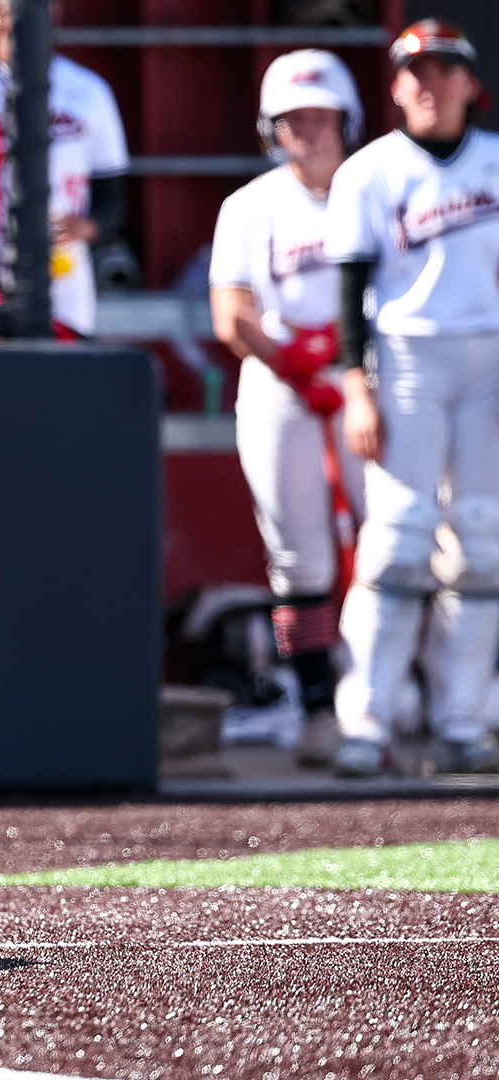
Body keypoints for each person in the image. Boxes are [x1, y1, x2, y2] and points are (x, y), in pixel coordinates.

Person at [326, 21, 499, 776]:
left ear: (470, 81)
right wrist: (356, 389)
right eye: (414, 71)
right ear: (394, 87)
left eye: (443, 69)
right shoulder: (368, 172)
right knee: (396, 539)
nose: (429, 84)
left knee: (483, 541)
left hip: (489, 356)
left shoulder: (495, 161)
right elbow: (350, 292)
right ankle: (367, 721)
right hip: (404, 359)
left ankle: (461, 719)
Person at [208, 50, 366, 769]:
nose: (307, 130)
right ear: (272, 128)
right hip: (282, 386)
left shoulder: (374, 189)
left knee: (396, 541)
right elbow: (230, 313)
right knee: (298, 556)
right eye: (292, 119)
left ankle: (396, 702)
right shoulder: (249, 205)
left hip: (367, 377)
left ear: (345, 118)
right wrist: (293, 361)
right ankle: (317, 707)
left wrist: (347, 349)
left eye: (319, 116)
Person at [0, 0, 128, 337]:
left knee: (60, 375)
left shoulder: (87, 90)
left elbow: (112, 195)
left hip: (60, 269)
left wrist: (84, 227)